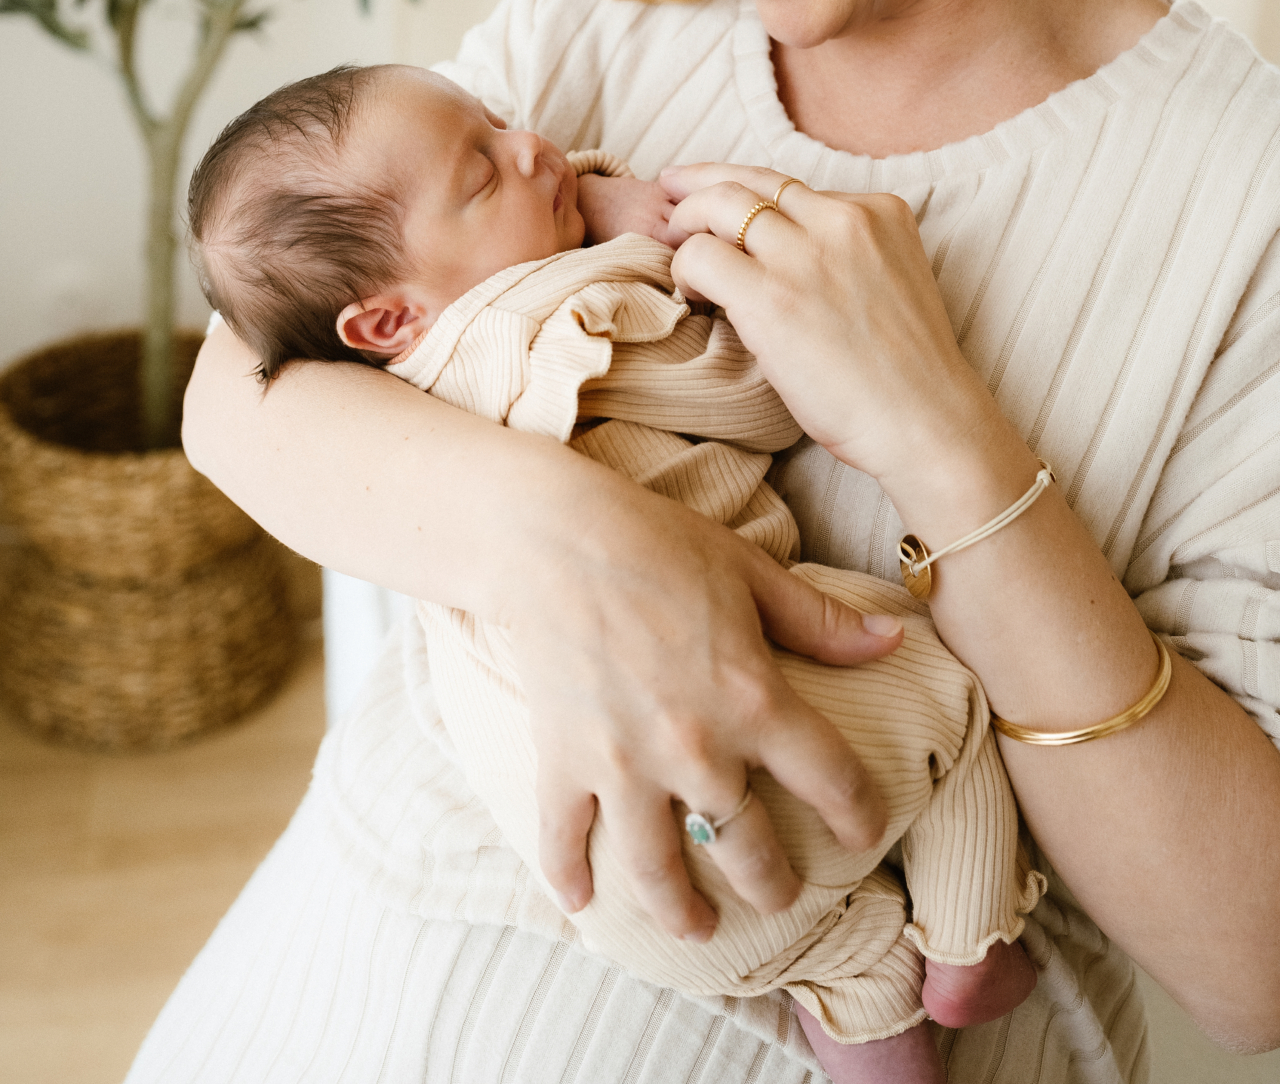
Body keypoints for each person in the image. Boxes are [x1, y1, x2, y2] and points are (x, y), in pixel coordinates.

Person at [129, 0, 1280, 1084]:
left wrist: (953, 453)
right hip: (324, 985)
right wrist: (581, 546)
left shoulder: (1240, 206)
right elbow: (245, 384)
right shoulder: (614, 1)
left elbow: (1256, 971)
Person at [182, 60, 1048, 1082]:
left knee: (828, 949)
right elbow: (758, 402)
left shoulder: (388, 398)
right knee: (944, 691)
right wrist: (664, 251)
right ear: (385, 321)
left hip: (610, 881)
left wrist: (559, 198)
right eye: (483, 173)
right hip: (758, 771)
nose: (531, 147)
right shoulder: (562, 320)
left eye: (499, 122)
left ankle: (862, 995)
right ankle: (970, 941)